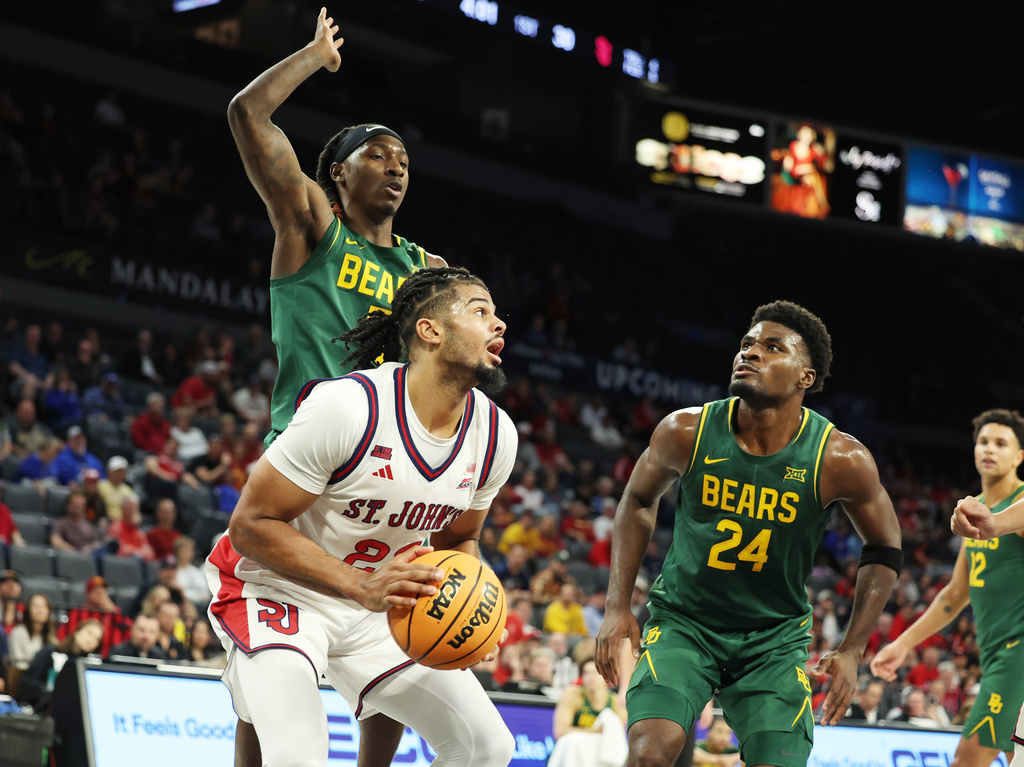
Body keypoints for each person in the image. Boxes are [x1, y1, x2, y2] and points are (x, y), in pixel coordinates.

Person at [206, 267, 514, 767]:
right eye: (481, 311)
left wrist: (474, 604)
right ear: (430, 331)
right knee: (299, 756)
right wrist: (358, 585)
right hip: (278, 588)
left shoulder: (496, 434)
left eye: (496, 314)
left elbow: (462, 539)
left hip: (378, 605)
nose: (499, 324)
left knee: (489, 748)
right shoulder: (350, 406)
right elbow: (249, 526)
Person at [595, 301, 902, 767]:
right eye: (748, 343)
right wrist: (618, 605)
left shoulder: (841, 459)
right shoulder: (685, 430)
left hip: (773, 640)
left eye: (772, 347)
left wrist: (853, 649)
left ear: (806, 377)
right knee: (649, 751)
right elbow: (637, 500)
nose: (751, 353)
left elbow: (884, 547)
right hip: (684, 624)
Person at [874, 408, 1024, 766]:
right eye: (983, 441)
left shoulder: (1012, 507)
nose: (989, 448)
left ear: (1019, 456)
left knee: (966, 760)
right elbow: (954, 595)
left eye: (1001, 443)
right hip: (996, 655)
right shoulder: (977, 511)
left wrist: (998, 522)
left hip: (1016, 653)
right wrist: (903, 643)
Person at [548, 657, 628, 767]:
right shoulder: (573, 694)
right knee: (573, 741)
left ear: (607, 676)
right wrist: (597, 731)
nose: (590, 677)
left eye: (595, 672)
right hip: (574, 754)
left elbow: (617, 738)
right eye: (586, 673)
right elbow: (560, 731)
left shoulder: (615, 702)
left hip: (600, 757)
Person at [18, 619, 103, 707]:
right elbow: (26, 683)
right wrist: (51, 690)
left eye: (97, 639)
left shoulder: (88, 665)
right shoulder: (50, 651)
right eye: (89, 633)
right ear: (78, 630)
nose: (91, 640)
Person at [7, 593, 58, 673]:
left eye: (44, 606)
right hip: (24, 678)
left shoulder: (50, 635)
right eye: (36, 606)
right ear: (28, 610)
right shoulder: (18, 633)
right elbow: (17, 665)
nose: (40, 610)